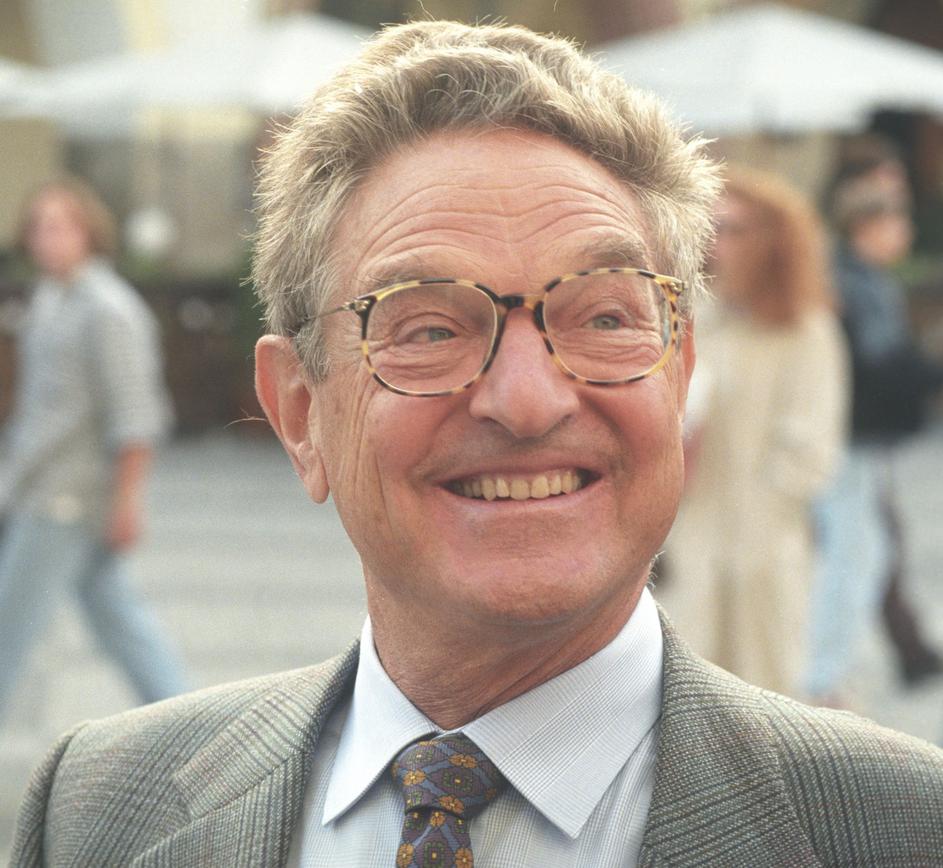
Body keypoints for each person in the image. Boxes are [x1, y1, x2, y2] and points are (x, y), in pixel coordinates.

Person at [11, 22, 943, 867]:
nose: (527, 401)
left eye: (604, 317)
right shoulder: (99, 813)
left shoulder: (901, 830)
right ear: (300, 414)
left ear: (676, 372)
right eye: (427, 329)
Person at [0, 178, 187, 725]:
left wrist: (128, 501)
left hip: (67, 499)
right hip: (35, 486)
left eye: (58, 226)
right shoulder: (49, 299)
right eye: (38, 227)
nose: (45, 239)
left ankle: (184, 724)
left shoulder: (109, 309)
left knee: (8, 626)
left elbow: (136, 415)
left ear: (88, 232)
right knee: (121, 625)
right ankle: (185, 726)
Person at [657, 167, 847, 699]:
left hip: (765, 545)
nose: (718, 242)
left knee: (767, 687)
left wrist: (764, 521)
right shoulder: (696, 319)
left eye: (734, 229)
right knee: (690, 689)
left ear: (771, 239)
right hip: (694, 536)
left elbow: (812, 449)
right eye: (713, 227)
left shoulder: (804, 329)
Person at [805, 177, 943, 703]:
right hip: (845, 440)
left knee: (870, 551)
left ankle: (829, 673)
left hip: (863, 439)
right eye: (895, 221)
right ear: (868, 226)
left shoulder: (865, 280)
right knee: (851, 554)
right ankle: (820, 680)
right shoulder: (848, 284)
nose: (904, 232)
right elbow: (872, 367)